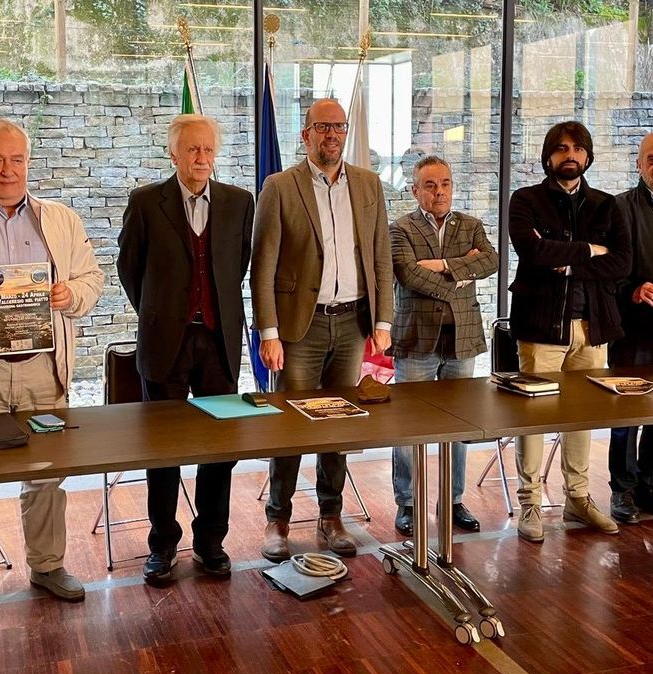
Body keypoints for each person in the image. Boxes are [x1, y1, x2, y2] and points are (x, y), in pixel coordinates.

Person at [0, 119, 104, 623]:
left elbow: (92, 278)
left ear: (28, 163)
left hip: (42, 370)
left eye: (16, 159)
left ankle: (48, 565)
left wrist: (70, 294)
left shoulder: (59, 219)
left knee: (47, 475)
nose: (8, 169)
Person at [251, 98, 393, 562]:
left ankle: (331, 516)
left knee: (339, 423)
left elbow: (380, 256)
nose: (332, 134)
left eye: (339, 126)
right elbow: (263, 265)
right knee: (291, 425)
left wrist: (383, 320)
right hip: (300, 328)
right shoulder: (279, 186)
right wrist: (268, 332)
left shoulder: (369, 184)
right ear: (306, 134)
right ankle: (278, 518)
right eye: (322, 126)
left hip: (352, 324)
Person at [118, 114, 253, 581]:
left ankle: (211, 541)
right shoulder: (145, 202)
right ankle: (162, 545)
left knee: (220, 446)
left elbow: (237, 266)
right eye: (192, 149)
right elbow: (129, 268)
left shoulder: (239, 202)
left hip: (217, 342)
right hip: (165, 344)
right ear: (173, 153)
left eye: (208, 149)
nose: (201, 158)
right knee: (163, 449)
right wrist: (160, 313)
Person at [508, 120, 631, 543]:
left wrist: (569, 263)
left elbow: (622, 263)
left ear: (588, 156)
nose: (570, 155)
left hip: (593, 327)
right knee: (534, 417)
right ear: (548, 156)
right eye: (562, 148)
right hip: (541, 328)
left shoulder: (606, 205)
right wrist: (590, 250)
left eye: (578, 149)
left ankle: (577, 497)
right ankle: (530, 502)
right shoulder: (525, 200)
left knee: (583, 416)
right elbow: (533, 251)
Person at [390, 156, 498, 536]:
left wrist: (439, 265)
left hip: (461, 338)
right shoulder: (400, 229)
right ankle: (407, 503)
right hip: (416, 337)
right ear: (415, 190)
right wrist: (461, 271)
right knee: (408, 426)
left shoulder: (471, 225)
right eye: (430, 185)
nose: (439, 191)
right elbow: (409, 274)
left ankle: (452, 500)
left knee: (460, 424)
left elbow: (491, 261)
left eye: (445, 183)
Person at [609, 132, 653, 524]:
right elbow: (607, 271)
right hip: (631, 326)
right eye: (651, 159)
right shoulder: (620, 208)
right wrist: (634, 290)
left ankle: (649, 485)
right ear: (638, 164)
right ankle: (621, 488)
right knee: (626, 411)